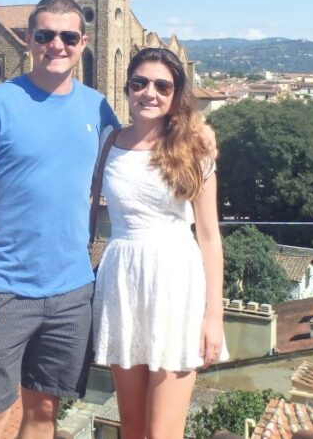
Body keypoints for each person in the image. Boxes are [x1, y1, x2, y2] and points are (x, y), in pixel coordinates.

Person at [0, 0, 118, 439]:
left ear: (82, 42)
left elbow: (143, 148)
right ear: (28, 40)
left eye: (67, 36)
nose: (56, 45)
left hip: (72, 290)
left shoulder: (98, 108)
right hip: (3, 287)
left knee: (43, 413)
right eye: (45, 36)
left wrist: (200, 135)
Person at [92, 47, 228, 439]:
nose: (149, 92)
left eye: (161, 86)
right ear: (127, 88)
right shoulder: (106, 142)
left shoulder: (194, 149)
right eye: (140, 82)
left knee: (163, 433)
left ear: (175, 95)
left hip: (176, 284)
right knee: (132, 428)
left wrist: (213, 316)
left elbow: (208, 236)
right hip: (122, 283)